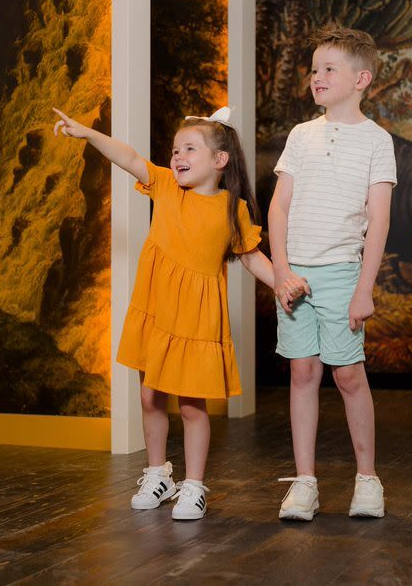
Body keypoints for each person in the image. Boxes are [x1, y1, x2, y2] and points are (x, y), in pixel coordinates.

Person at [53, 106, 304, 520]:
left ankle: (194, 486)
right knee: (150, 396)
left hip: (196, 319)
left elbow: (252, 257)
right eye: (175, 149)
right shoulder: (167, 186)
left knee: (191, 405)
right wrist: (90, 134)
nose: (177, 156)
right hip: (156, 309)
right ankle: (157, 475)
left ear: (220, 160)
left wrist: (281, 281)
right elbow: (131, 158)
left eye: (189, 148)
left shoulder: (232, 209)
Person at [270, 23, 397, 521]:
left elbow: (379, 217)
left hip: (344, 272)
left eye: (329, 69)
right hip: (296, 273)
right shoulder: (301, 136)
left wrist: (364, 288)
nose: (316, 77)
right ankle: (305, 483)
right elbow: (279, 208)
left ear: (360, 79)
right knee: (303, 372)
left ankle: (367, 480)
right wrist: (281, 270)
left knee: (347, 375)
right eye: (314, 69)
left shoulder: (376, 141)